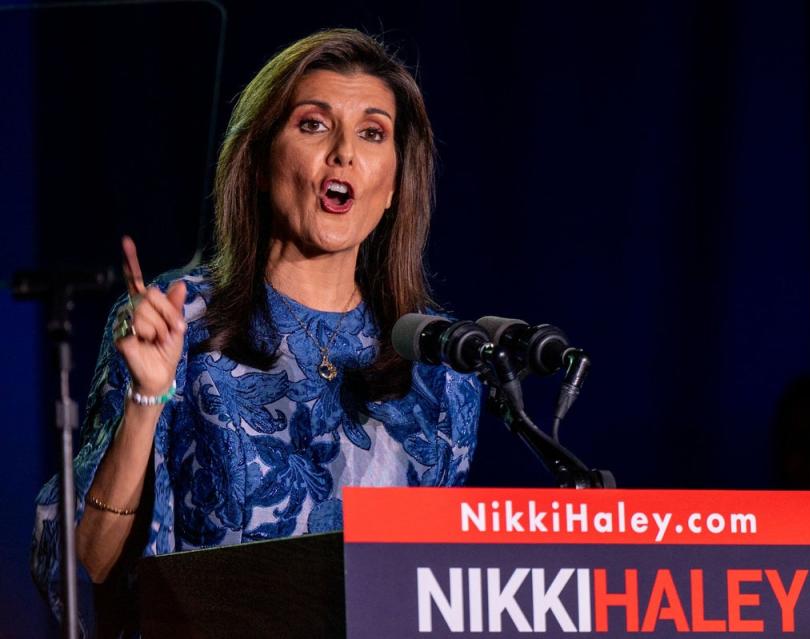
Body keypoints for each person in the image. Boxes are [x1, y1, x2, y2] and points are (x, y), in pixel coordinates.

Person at [31, 29, 482, 634]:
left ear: (395, 185)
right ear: (263, 161)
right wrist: (146, 400)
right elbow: (90, 563)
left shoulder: (440, 365)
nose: (344, 153)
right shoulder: (181, 321)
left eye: (372, 133)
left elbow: (436, 595)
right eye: (314, 125)